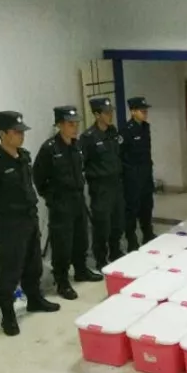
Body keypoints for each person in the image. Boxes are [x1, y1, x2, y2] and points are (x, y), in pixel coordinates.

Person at [0, 111, 61, 336]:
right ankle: (8, 315)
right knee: (10, 271)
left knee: (33, 265)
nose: (21, 136)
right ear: (2, 134)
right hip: (10, 226)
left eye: (22, 132)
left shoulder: (24, 157)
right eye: (16, 132)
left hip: (29, 219)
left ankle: (34, 299)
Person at [34, 106, 103, 299]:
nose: (75, 127)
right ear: (59, 125)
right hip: (60, 203)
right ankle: (62, 281)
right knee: (62, 243)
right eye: (70, 124)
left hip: (77, 199)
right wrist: (52, 198)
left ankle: (81, 270)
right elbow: (38, 178)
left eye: (76, 123)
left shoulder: (77, 145)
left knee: (81, 238)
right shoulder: (49, 149)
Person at [79, 98, 124, 268]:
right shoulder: (88, 137)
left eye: (111, 112)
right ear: (97, 115)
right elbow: (82, 163)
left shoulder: (113, 132)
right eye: (106, 113)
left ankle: (115, 251)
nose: (110, 115)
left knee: (117, 221)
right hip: (100, 187)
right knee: (102, 224)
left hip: (116, 184)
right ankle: (100, 259)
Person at [121, 96, 155, 250]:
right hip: (133, 177)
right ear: (133, 112)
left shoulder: (145, 127)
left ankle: (148, 234)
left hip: (146, 174)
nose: (145, 113)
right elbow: (122, 155)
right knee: (132, 209)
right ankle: (131, 240)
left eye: (146, 110)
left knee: (147, 206)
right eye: (142, 111)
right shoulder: (126, 131)